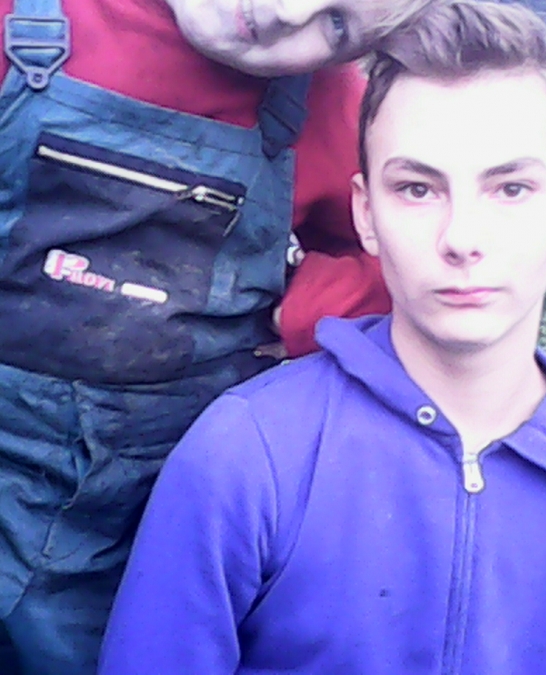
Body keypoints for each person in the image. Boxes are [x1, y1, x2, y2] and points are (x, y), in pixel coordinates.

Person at [99, 1, 546, 673]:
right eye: (417, 189)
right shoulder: (245, 456)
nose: (462, 238)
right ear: (365, 214)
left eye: (511, 188)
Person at [0, 0, 432, 673]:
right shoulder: (25, 20)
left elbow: (390, 253)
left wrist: (307, 311)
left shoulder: (322, 107)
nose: (286, 13)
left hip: (137, 510)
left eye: (336, 23)